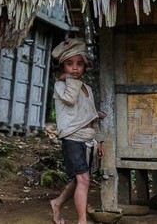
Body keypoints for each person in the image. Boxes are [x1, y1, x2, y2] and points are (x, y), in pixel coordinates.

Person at [49, 38, 106, 224]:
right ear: (62, 66)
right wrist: (69, 80)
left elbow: (92, 117)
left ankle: (56, 203)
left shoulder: (88, 88)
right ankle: (82, 221)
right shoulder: (60, 86)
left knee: (78, 181)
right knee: (84, 180)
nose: (74, 68)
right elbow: (71, 99)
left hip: (88, 139)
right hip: (72, 139)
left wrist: (100, 141)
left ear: (85, 66)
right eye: (69, 64)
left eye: (79, 64)